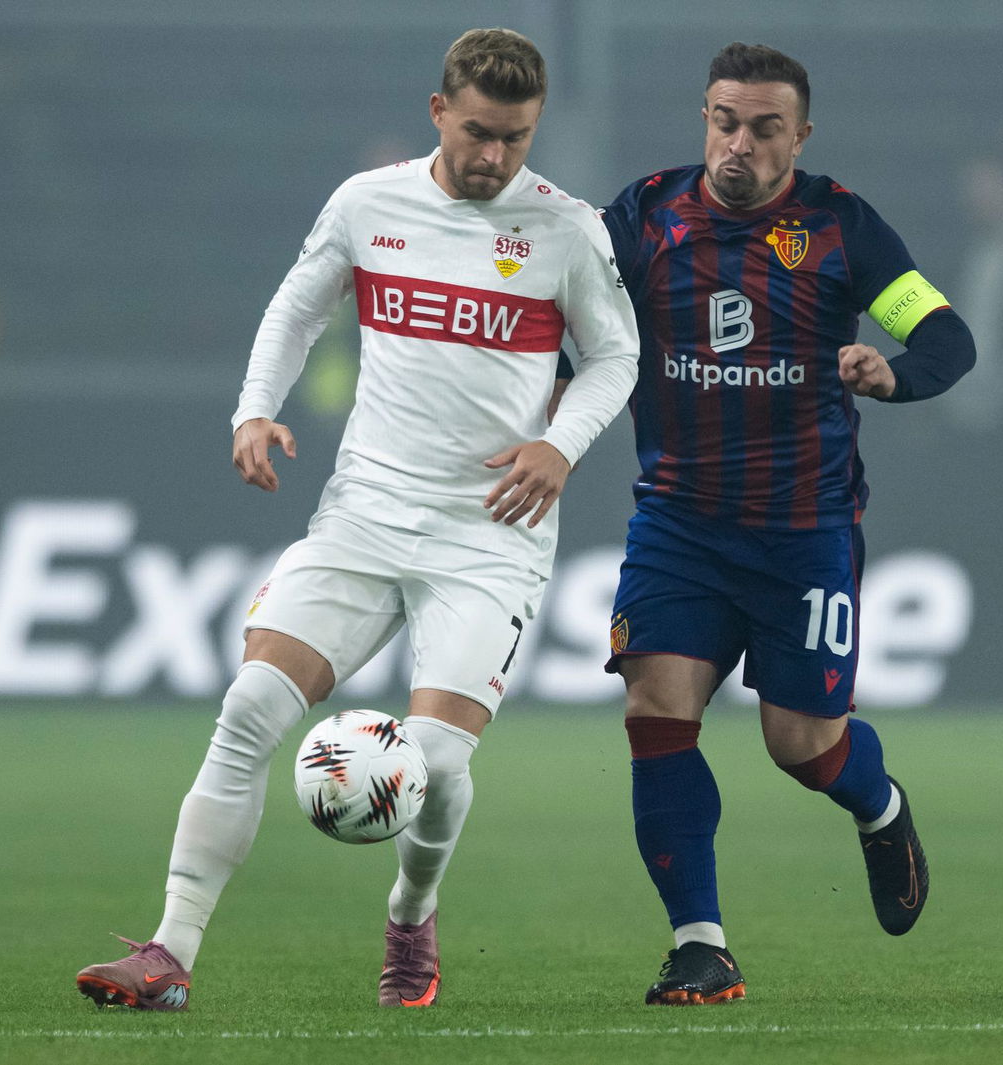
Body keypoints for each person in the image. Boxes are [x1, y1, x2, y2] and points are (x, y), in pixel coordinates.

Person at [75, 27, 638, 1011]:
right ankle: (168, 954)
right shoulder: (369, 203)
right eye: (476, 133)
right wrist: (254, 410)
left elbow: (615, 358)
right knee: (249, 707)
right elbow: (297, 308)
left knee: (437, 764)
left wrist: (559, 446)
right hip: (365, 511)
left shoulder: (566, 230)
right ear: (437, 112)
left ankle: (411, 915)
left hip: (486, 534)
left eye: (514, 138)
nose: (493, 157)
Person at [597, 43, 975, 1003]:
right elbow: (573, 325)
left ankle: (880, 806)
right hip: (677, 522)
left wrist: (895, 372)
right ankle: (701, 944)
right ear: (705, 119)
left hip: (803, 530)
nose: (741, 143)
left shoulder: (841, 229)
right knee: (655, 708)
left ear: (799, 137)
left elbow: (942, 335)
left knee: (803, 745)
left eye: (766, 128)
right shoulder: (643, 217)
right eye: (726, 120)